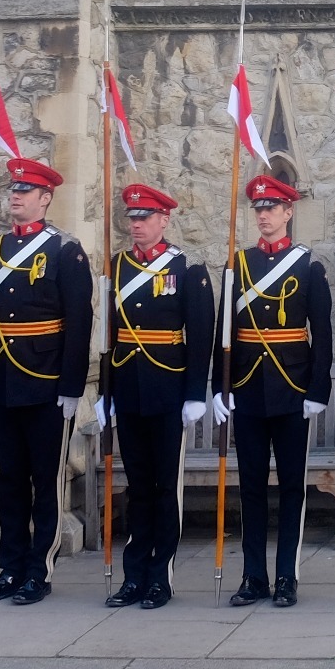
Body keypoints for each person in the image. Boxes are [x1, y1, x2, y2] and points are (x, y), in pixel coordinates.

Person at [0, 158, 94, 605]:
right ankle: (11, 567)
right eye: (13, 190)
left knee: (46, 480)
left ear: (45, 199)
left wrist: (71, 387)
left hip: (46, 381)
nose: (15, 197)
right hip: (5, 378)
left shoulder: (65, 250)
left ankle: (38, 572)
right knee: (9, 479)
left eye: (25, 191)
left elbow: (78, 322)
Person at [211, 175, 331, 608]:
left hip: (293, 390)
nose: (263, 215)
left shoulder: (307, 266)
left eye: (272, 208)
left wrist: (317, 390)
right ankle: (253, 575)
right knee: (251, 487)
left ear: (288, 213)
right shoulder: (237, 265)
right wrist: (219, 388)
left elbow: (323, 331)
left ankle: (286, 576)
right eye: (258, 209)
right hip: (246, 391)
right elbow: (222, 332)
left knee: (293, 487)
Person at [102, 182, 214, 610]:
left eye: (145, 217)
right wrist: (107, 391)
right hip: (128, 390)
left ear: (164, 220)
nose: (137, 225)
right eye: (132, 218)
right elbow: (108, 337)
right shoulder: (116, 267)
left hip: (168, 389)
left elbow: (200, 335)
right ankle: (134, 575)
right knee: (137, 486)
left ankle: (160, 577)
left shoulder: (185, 269)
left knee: (165, 487)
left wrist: (194, 393)